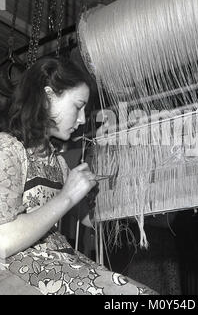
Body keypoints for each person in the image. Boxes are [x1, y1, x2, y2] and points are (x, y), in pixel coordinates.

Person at [0, 57, 156, 295]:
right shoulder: (7, 148)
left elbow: (88, 219)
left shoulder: (59, 163)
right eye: (78, 106)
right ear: (48, 97)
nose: (83, 119)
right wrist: (68, 196)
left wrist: (134, 194)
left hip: (60, 261)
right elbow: (3, 242)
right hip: (20, 270)